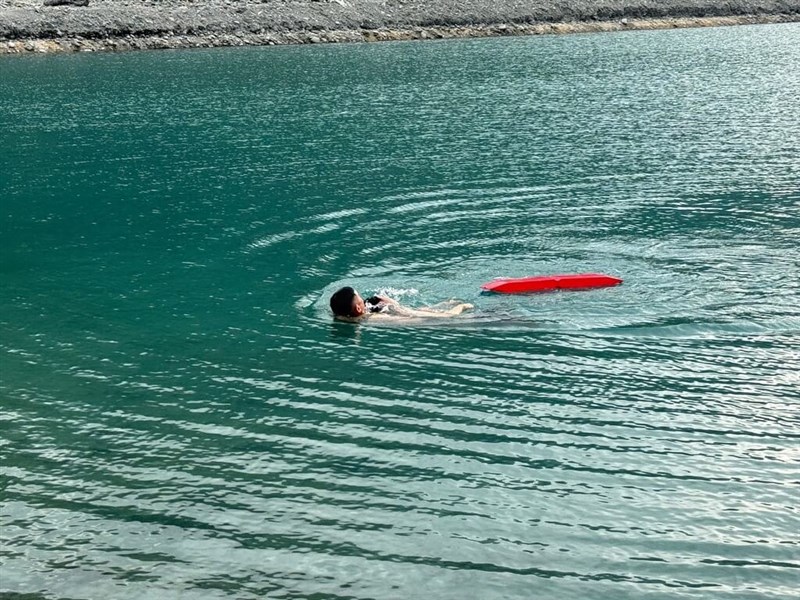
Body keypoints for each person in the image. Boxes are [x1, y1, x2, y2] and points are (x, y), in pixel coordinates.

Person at [329, 286, 473, 321]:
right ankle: (459, 307)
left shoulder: (356, 313)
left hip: (390, 310)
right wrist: (393, 303)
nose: (362, 297)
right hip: (400, 313)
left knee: (421, 309)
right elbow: (410, 317)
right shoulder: (375, 319)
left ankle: (444, 304)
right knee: (445, 316)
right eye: (359, 296)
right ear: (358, 308)